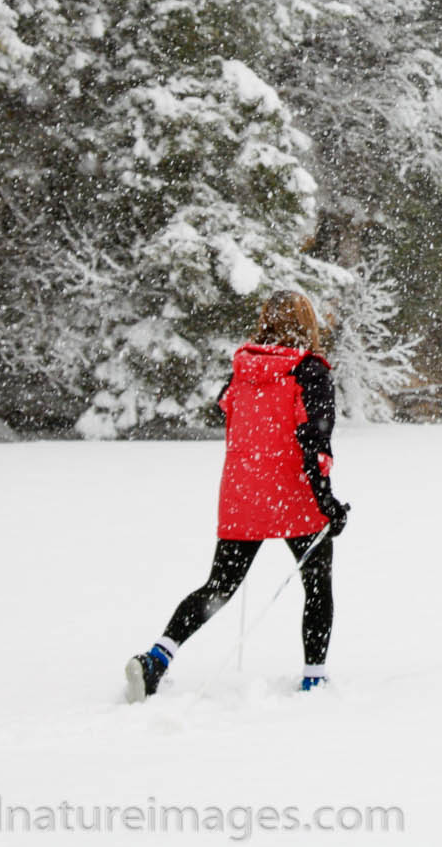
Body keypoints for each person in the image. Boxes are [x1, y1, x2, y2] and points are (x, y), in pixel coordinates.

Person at [126, 290, 350, 699]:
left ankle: (157, 657)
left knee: (218, 587)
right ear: (307, 324)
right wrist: (328, 503)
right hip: (295, 497)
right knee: (317, 587)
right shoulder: (310, 372)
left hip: (243, 495)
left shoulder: (242, 371)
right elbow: (315, 443)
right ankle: (314, 678)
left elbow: (229, 413)